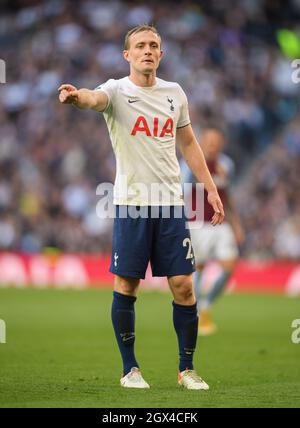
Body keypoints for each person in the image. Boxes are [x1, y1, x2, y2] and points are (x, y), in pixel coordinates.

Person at [58, 25, 224, 390]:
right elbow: (93, 99)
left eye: (154, 46)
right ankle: (130, 370)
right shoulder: (117, 90)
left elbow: (190, 143)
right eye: (140, 46)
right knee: (127, 284)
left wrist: (210, 189)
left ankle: (186, 370)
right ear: (127, 55)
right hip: (132, 206)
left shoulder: (174, 94)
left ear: (161, 55)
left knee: (183, 285)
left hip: (170, 206)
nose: (147, 50)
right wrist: (75, 97)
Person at [182, 127, 244, 335]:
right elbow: (181, 192)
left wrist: (236, 224)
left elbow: (229, 195)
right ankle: (200, 311)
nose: (211, 145)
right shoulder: (189, 163)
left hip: (220, 222)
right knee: (197, 268)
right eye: (208, 141)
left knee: (229, 264)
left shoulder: (227, 165)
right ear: (201, 141)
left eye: (215, 142)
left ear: (221, 144)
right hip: (196, 222)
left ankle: (206, 303)